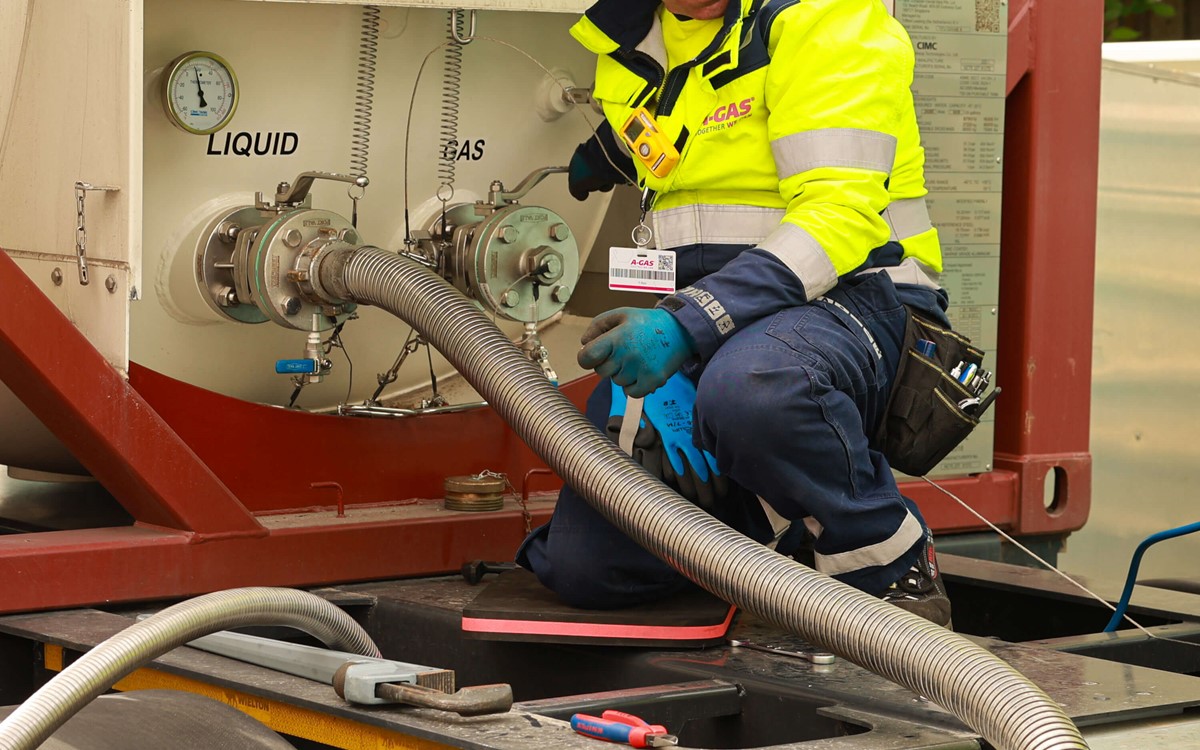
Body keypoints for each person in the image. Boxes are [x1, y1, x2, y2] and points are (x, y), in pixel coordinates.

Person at [517, 0, 953, 627]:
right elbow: (687, 129)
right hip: (711, 322)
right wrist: (610, 152)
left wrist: (685, 328)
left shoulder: (823, 20)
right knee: (590, 567)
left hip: (853, 300)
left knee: (756, 390)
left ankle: (892, 568)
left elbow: (839, 221)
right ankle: (768, 532)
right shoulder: (631, 38)